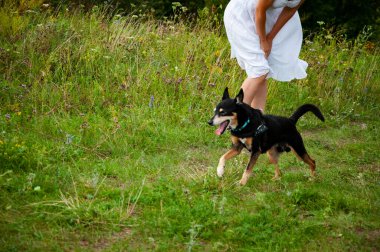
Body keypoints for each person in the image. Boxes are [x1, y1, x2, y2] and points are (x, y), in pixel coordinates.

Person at [224, 0, 307, 112]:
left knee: (263, 72)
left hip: (264, 18)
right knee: (259, 69)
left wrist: (270, 38)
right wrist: (263, 40)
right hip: (242, 15)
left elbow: (289, 11)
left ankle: (258, 121)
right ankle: (237, 117)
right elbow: (260, 9)